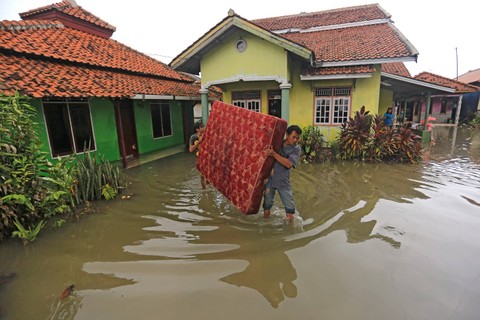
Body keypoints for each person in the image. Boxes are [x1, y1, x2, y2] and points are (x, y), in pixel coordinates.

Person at [262, 125, 302, 223]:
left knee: (290, 210)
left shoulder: (296, 149)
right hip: (270, 180)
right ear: (287, 135)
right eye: (293, 137)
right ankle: (266, 225)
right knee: (267, 206)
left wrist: (274, 154)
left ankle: (289, 230)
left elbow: (288, 164)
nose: (295, 140)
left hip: (283, 181)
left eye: (297, 138)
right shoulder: (277, 143)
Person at [189, 122, 206, 189]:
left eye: (203, 126)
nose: (203, 128)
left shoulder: (207, 135)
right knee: (202, 175)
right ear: (197, 129)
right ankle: (204, 191)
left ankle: (208, 183)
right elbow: (191, 150)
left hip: (207, 157)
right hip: (200, 158)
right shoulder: (193, 137)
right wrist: (199, 142)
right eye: (201, 127)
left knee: (208, 174)